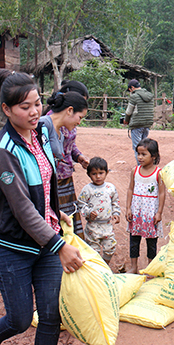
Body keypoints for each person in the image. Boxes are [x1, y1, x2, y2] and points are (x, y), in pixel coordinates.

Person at [0, 72, 83, 345]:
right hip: (13, 245)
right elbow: (22, 208)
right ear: (6, 109)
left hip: (46, 240)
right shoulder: (3, 151)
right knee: (20, 319)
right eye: (24, 107)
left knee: (51, 315)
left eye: (37, 104)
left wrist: (51, 209)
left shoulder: (41, 134)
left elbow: (46, 180)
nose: (34, 112)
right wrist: (60, 246)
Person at [45, 81, 91, 236]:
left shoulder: (65, 122)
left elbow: (69, 145)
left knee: (68, 215)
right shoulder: (48, 126)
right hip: (53, 178)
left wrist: (78, 157)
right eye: (80, 117)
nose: (79, 122)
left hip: (65, 175)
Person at [126, 138, 165, 274]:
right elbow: (130, 189)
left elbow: (161, 193)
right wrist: (128, 208)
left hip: (150, 213)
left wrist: (159, 212)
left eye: (144, 154)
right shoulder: (134, 171)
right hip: (136, 212)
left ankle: (150, 268)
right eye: (138, 154)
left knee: (151, 243)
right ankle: (133, 267)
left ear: (153, 156)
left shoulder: (158, 173)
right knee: (134, 240)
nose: (140, 157)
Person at [77, 157, 120, 267]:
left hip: (107, 225)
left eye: (101, 173)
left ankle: (104, 266)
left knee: (110, 247)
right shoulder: (87, 189)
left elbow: (115, 201)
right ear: (89, 175)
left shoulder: (110, 188)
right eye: (94, 174)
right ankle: (96, 270)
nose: (98, 176)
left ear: (106, 173)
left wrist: (116, 213)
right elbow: (81, 204)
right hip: (93, 226)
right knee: (93, 251)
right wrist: (88, 212)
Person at [39, 91, 88, 166]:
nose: (79, 122)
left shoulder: (60, 136)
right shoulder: (43, 125)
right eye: (80, 117)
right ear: (70, 110)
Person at [124, 79, 154, 165]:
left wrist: (126, 120)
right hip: (147, 123)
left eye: (130, 89)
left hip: (137, 125)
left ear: (132, 88)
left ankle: (141, 166)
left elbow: (129, 111)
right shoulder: (149, 95)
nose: (130, 91)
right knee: (145, 146)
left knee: (137, 147)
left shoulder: (134, 96)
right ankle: (147, 164)